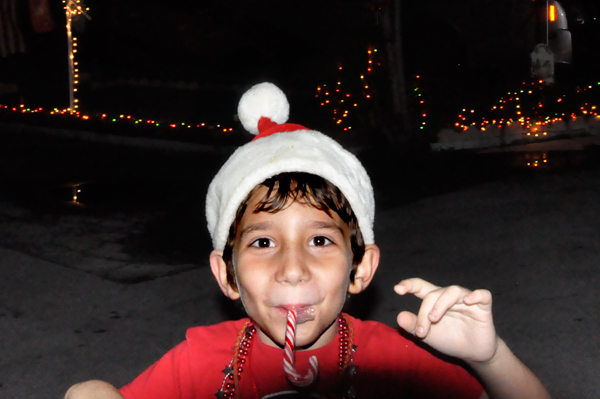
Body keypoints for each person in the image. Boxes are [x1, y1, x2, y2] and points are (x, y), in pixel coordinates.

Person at [64, 82, 551, 399]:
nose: (292, 268)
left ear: (361, 268)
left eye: (320, 241)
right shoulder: (204, 362)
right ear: (225, 274)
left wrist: (489, 358)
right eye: (261, 243)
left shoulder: (392, 363)